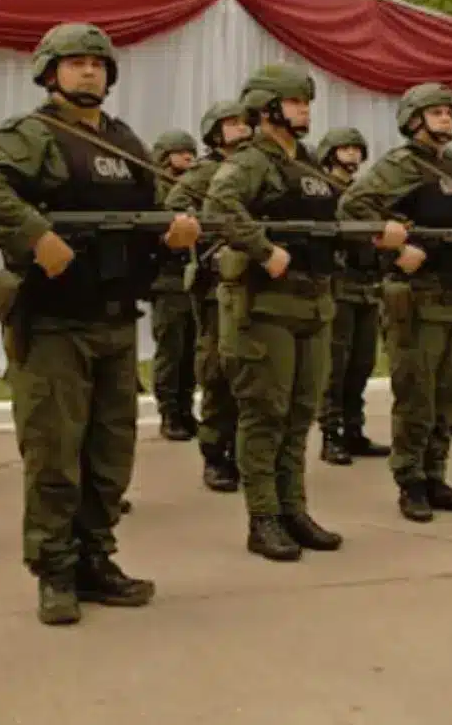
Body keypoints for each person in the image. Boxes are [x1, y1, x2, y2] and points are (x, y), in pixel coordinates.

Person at [0, 22, 199, 623]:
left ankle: (96, 557)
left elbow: (145, 216)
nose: (89, 71)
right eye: (75, 62)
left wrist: (173, 233)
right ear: (49, 72)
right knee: (55, 454)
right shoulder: (33, 135)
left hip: (114, 317)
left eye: (98, 63)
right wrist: (37, 236)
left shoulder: (124, 142)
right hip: (54, 322)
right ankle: (55, 570)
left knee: (110, 455)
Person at [202, 63, 347, 561]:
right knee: (266, 413)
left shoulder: (307, 164)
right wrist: (264, 250)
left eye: (306, 101)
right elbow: (219, 205)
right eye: (294, 101)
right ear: (267, 109)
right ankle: (262, 518)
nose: (304, 109)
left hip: (313, 301)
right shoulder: (252, 160)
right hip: (264, 306)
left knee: (301, 413)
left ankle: (293, 509)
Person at [336, 83, 452, 521]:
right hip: (415, 298)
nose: (446, 118)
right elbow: (353, 208)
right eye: (436, 112)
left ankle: (436, 475)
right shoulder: (401, 165)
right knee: (416, 396)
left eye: (449, 111)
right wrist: (395, 248)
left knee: (446, 396)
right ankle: (410, 483)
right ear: (415, 119)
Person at [165, 99, 254, 493]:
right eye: (230, 124)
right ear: (215, 132)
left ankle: (249, 453)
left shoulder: (257, 166)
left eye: (243, 122)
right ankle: (216, 454)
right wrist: (204, 234)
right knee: (218, 369)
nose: (240, 129)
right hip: (216, 285)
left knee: (254, 373)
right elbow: (175, 209)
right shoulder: (204, 172)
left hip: (256, 281)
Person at [315, 126, 391, 465]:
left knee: (362, 363)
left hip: (367, 286)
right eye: (344, 148)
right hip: (339, 284)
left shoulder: (364, 193)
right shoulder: (322, 191)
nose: (351, 155)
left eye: (355, 149)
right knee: (336, 364)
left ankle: (354, 429)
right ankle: (331, 435)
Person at [147, 130, 202, 442]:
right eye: (181, 152)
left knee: (192, 350)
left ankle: (185, 407)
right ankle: (170, 411)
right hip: (167, 281)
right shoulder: (156, 192)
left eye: (190, 152)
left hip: (191, 279)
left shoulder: (196, 190)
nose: (188, 158)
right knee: (171, 349)